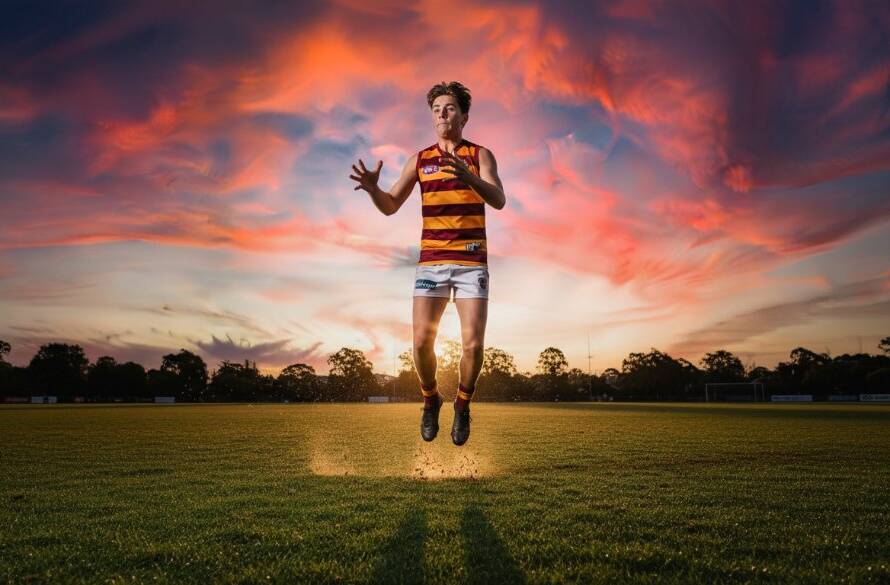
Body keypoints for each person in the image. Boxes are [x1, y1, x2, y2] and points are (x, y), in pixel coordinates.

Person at [349, 81, 506, 446]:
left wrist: (469, 177)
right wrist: (374, 190)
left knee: (472, 346)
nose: (441, 114)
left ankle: (463, 405)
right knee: (420, 341)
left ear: (464, 116)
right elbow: (390, 206)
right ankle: (430, 399)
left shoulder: (481, 155)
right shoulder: (419, 160)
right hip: (431, 263)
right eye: (436, 109)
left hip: (471, 263)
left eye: (449, 108)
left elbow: (498, 199)